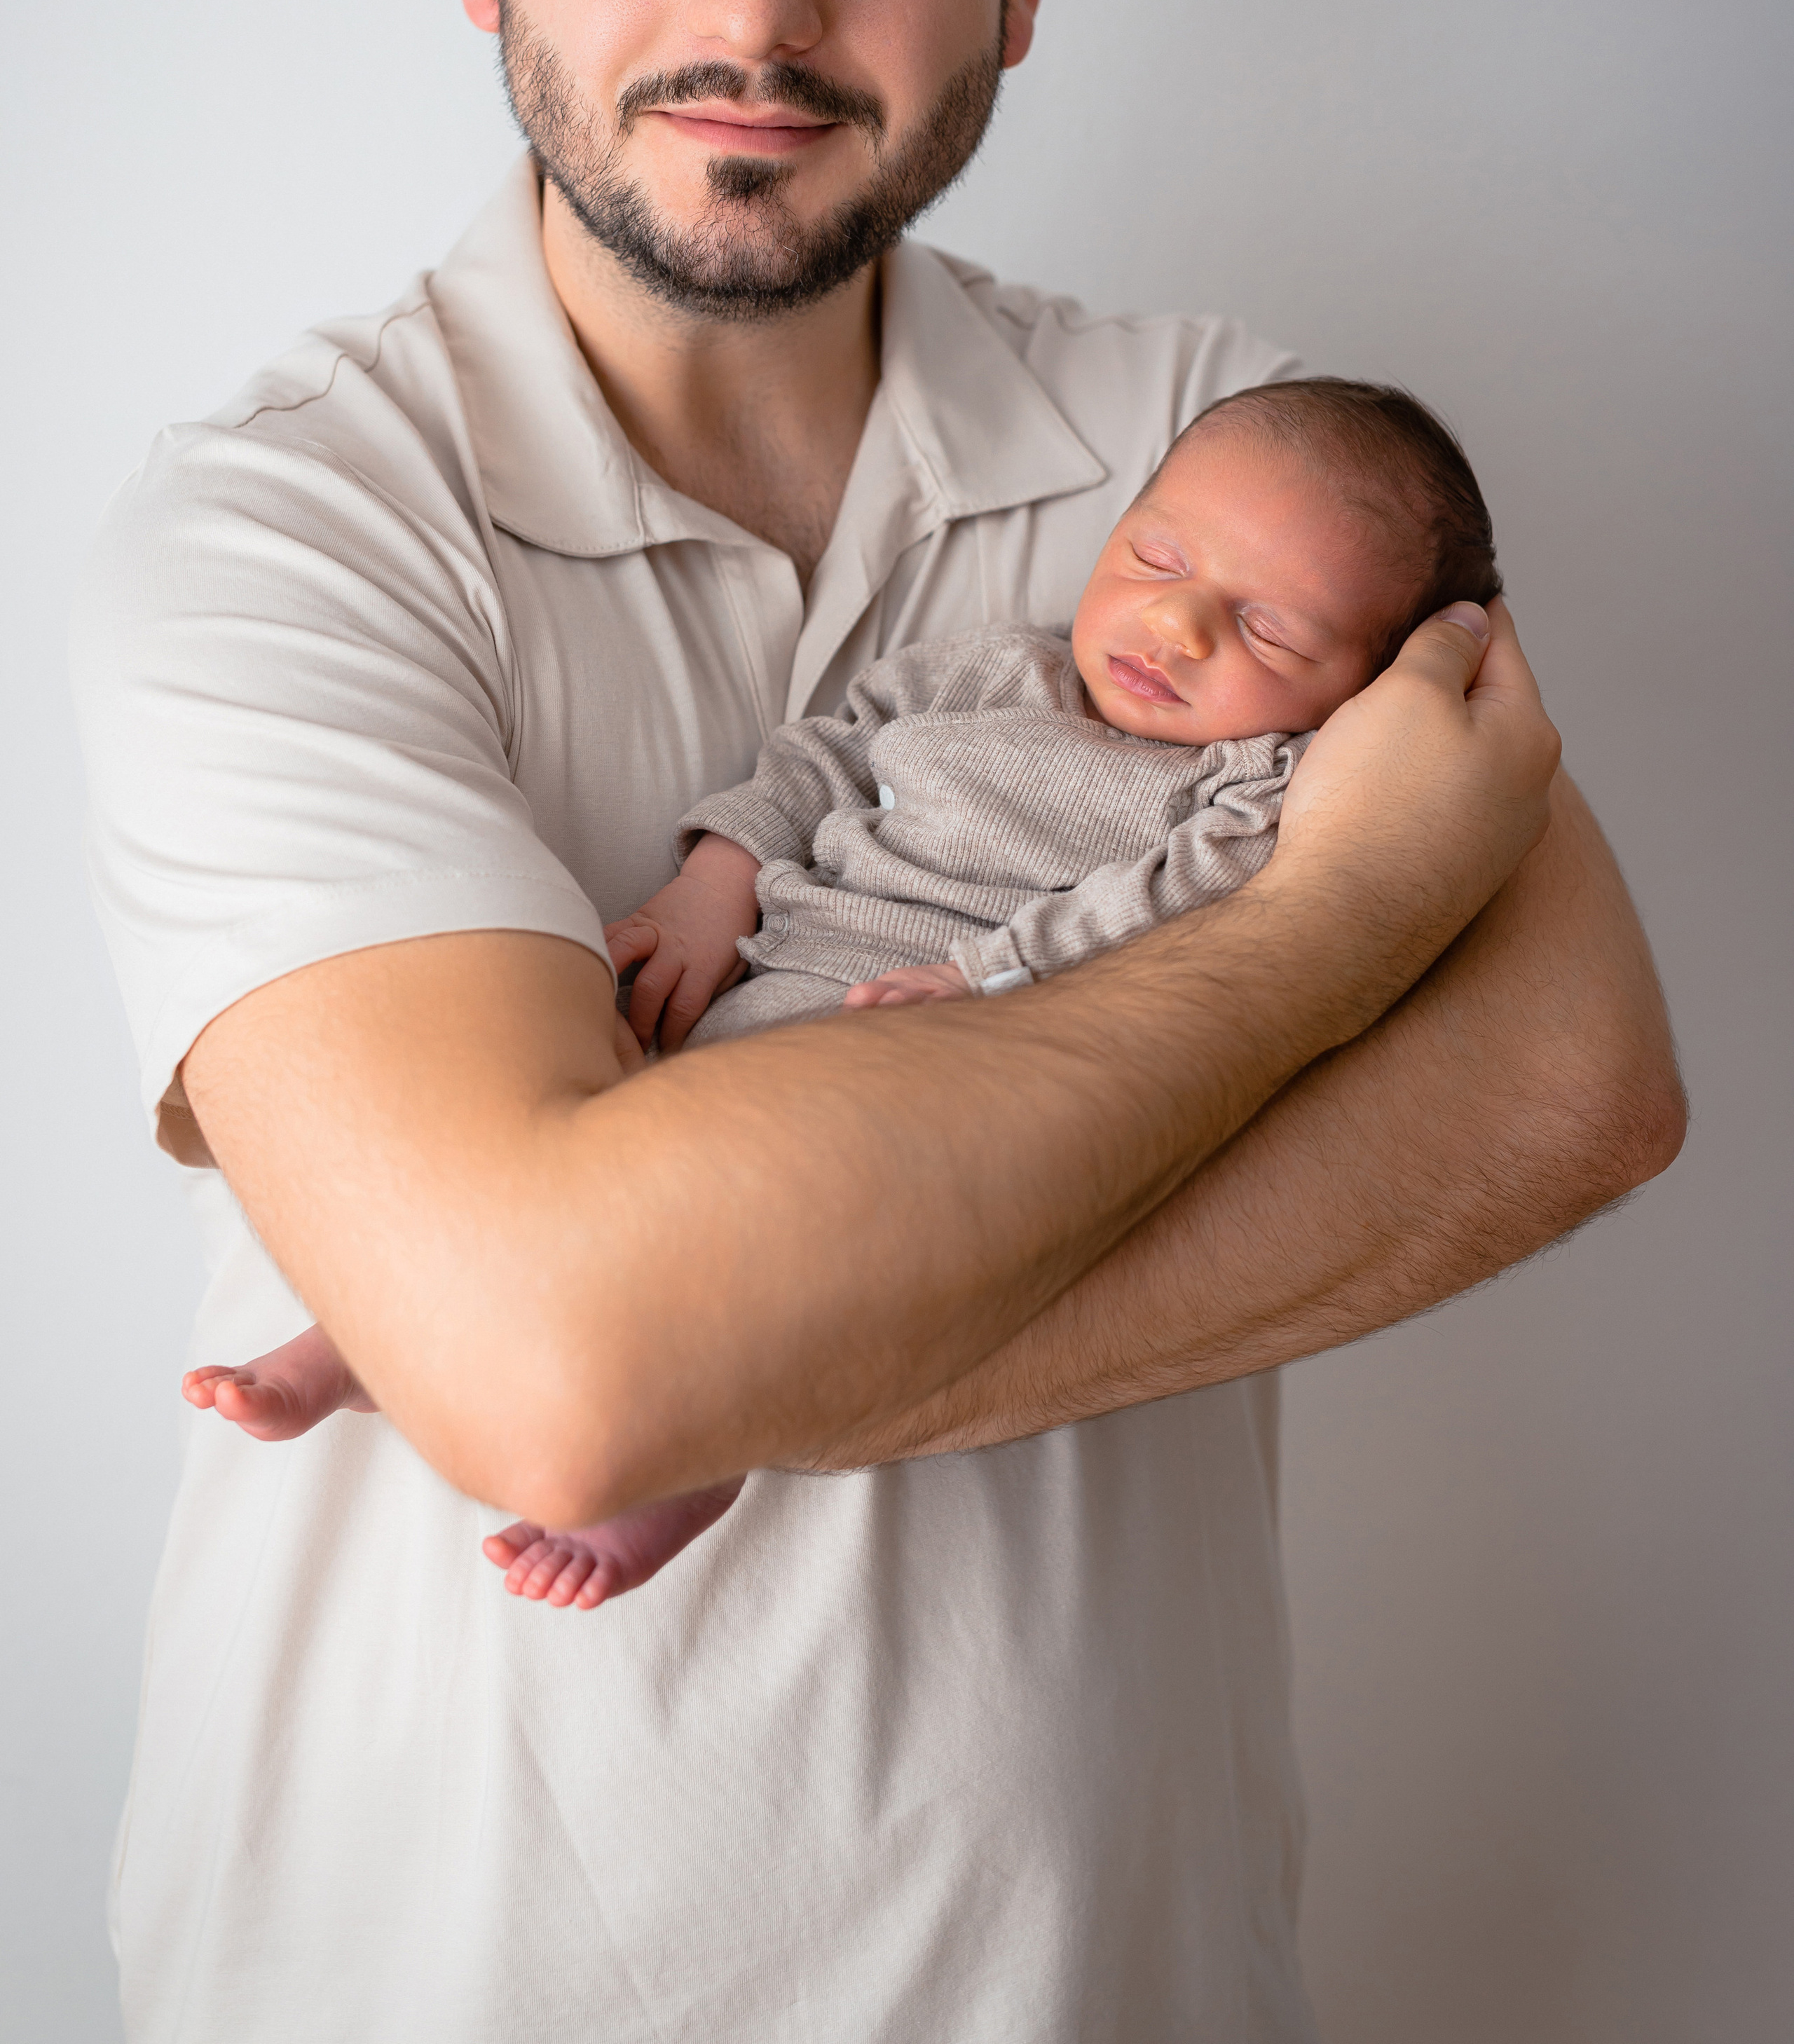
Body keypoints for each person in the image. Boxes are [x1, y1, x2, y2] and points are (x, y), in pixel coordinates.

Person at [73, 0, 1682, 2044]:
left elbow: (1580, 1087)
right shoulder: (284, 538)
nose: (758, 12)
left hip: (1117, 1989)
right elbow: (556, 1376)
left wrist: (712, 1291)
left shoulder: (1243, 458)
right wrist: (1349, 919)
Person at [180, 373, 1507, 1617]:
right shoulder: (997, 670)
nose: (1180, 624)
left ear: (1373, 690)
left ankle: (690, 1468)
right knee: (527, 1139)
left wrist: (990, 983)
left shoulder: (1252, 790)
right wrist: (719, 880)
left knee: (764, 1257)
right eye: (1158, 558)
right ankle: (361, 1330)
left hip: (952, 1041)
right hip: (758, 980)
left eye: (1274, 626)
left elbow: (1171, 916)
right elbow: (825, 757)